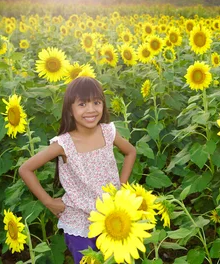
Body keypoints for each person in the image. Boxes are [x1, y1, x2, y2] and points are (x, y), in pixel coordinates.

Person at [19, 76, 136, 263]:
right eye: (82, 104)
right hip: (79, 222)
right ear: (70, 110)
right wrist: (48, 202)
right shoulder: (64, 143)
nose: (91, 110)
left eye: (96, 102)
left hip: (111, 217)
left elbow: (131, 152)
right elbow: (25, 169)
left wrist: (121, 186)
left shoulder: (108, 132)